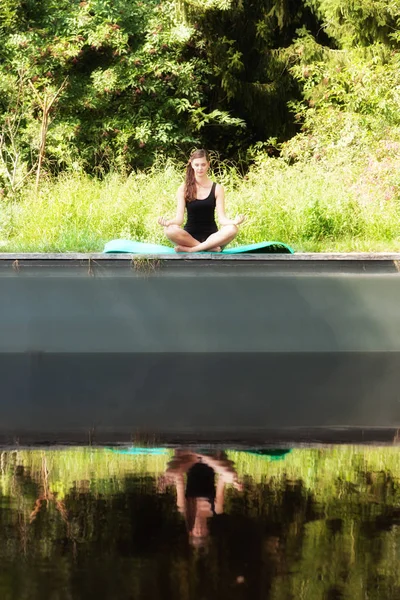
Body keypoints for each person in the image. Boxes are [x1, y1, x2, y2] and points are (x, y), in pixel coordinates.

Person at [158, 149, 245, 252]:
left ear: (208, 164)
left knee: (233, 228)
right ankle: (206, 248)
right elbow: (179, 219)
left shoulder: (217, 188)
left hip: (213, 238)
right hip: (189, 238)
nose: (200, 168)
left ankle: (192, 250)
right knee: (169, 230)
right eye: (197, 165)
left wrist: (234, 221)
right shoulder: (183, 188)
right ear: (192, 165)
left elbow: (222, 219)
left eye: (203, 165)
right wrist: (167, 222)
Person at [161, 449, 242, 548]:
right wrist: (231, 480)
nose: (199, 529)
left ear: (191, 531)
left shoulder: (183, 508)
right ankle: (205, 456)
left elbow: (179, 479)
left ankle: (200, 455)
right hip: (212, 462)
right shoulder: (216, 509)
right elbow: (221, 480)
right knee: (229, 474)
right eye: (202, 533)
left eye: (197, 532)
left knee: (172, 472)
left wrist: (169, 479)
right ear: (207, 530)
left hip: (189, 460)